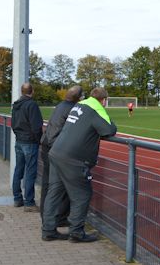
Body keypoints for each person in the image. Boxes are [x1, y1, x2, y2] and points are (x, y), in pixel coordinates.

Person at [41, 87, 117, 242]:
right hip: (73, 159)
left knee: (54, 193)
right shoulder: (95, 108)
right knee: (82, 195)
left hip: (56, 153)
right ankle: (76, 232)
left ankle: (48, 230)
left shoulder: (80, 105)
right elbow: (109, 130)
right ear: (104, 100)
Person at [39, 85, 83, 225]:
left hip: (47, 145)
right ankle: (58, 218)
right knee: (61, 185)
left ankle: (47, 217)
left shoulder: (59, 106)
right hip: (56, 148)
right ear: (78, 98)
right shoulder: (73, 109)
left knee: (48, 184)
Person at [11, 83, 44, 212]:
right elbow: (36, 127)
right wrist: (38, 140)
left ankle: (17, 198)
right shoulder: (32, 105)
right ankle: (29, 202)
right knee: (30, 172)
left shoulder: (16, 105)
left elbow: (13, 124)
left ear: (21, 91)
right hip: (29, 142)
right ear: (32, 91)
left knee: (18, 170)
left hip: (19, 140)